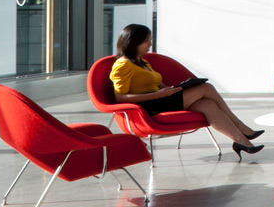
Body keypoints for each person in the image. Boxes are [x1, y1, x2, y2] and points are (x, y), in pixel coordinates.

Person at [109, 23, 263, 154]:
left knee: (207, 104)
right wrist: (158, 95)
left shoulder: (142, 62)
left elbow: (156, 82)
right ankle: (240, 125)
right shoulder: (122, 65)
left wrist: (173, 89)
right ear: (133, 42)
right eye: (146, 41)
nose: (150, 44)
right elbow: (120, 98)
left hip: (162, 98)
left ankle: (240, 140)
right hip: (148, 107)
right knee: (207, 88)